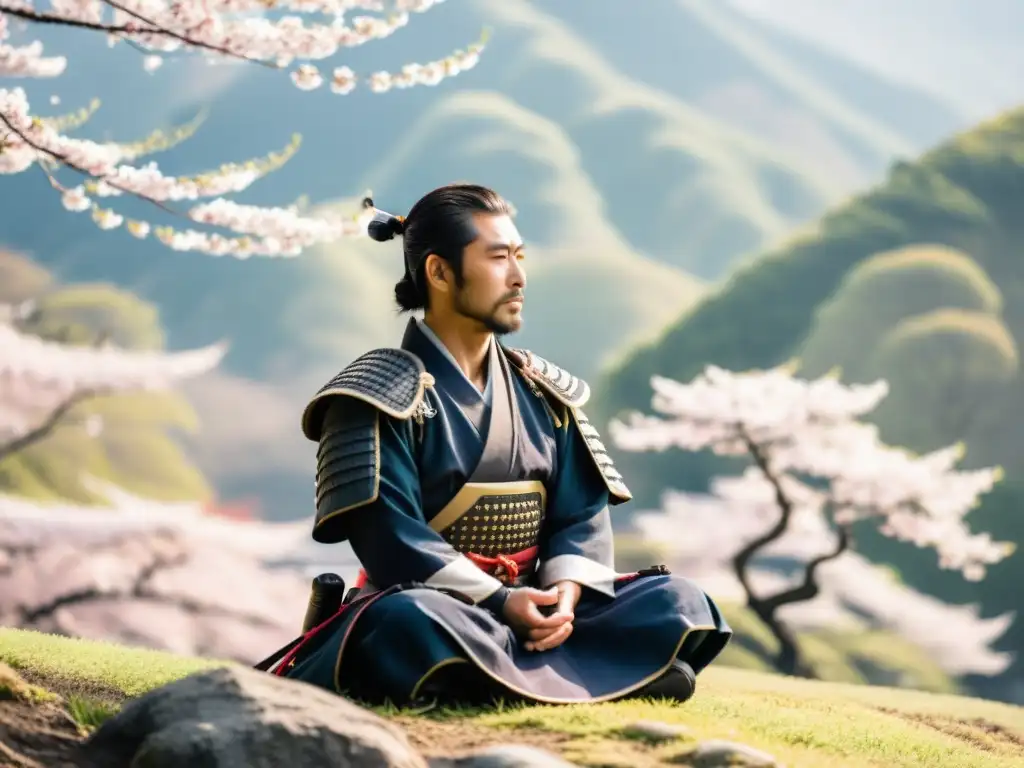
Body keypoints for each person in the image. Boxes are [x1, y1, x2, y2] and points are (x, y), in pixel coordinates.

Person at [262, 183, 732, 706]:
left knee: (678, 600)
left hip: (538, 606)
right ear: (439, 272)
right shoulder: (373, 395)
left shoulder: (542, 389)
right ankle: (605, 677)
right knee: (411, 621)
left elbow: (582, 515)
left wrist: (563, 598)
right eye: (498, 258)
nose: (519, 277)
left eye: (519, 257)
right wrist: (501, 600)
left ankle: (492, 680)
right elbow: (390, 536)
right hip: (443, 607)